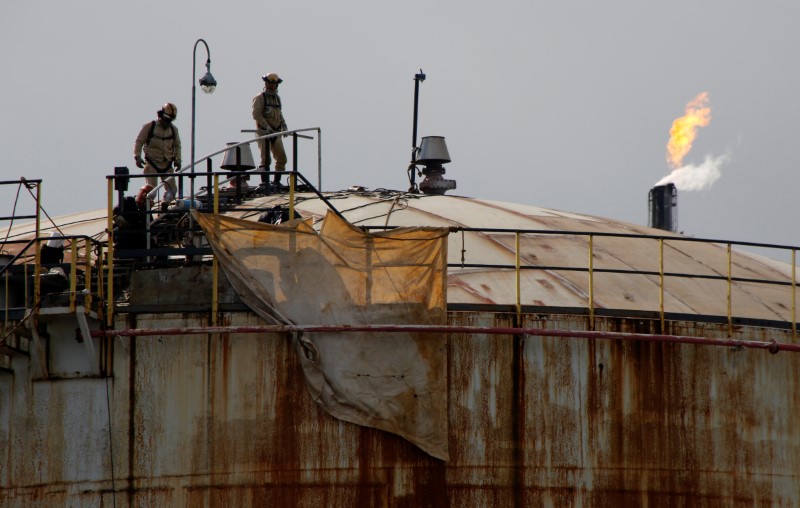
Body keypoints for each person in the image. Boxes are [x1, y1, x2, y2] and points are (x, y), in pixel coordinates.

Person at [133, 103, 182, 204]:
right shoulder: (149, 126)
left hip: (167, 164)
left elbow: (177, 145)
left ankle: (164, 205)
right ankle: (142, 206)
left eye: (170, 120)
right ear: (161, 115)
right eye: (167, 119)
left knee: (172, 191)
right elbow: (139, 141)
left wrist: (178, 159)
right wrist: (137, 156)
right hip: (152, 163)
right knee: (151, 192)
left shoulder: (173, 130)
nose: (168, 122)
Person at [252, 73, 288, 188]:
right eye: (270, 83)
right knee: (265, 159)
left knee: (281, 158)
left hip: (276, 132)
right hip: (263, 132)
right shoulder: (260, 97)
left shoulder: (277, 99)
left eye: (274, 84)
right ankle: (264, 183)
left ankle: (276, 181)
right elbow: (256, 114)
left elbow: (279, 113)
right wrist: (266, 126)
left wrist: (284, 124)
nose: (272, 86)